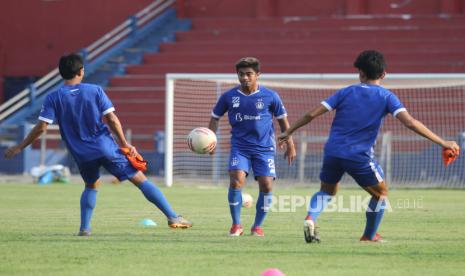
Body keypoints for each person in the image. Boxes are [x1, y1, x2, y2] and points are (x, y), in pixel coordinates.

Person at [278, 50, 460, 243]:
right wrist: (443, 142)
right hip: (358, 156)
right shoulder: (387, 97)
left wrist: (289, 131)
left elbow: (311, 114)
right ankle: (369, 236)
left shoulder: (345, 92)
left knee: (326, 191)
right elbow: (411, 123)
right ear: (383, 75)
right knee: (381, 194)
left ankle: (310, 218)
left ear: (360, 73)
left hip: (332, 151)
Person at [4, 53, 192, 236]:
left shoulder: (53, 97)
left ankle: (84, 228)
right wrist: (125, 144)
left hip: (81, 154)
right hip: (105, 147)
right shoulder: (94, 90)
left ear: (61, 73)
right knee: (141, 180)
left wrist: (20, 147)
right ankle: (172, 217)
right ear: (81, 71)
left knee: (91, 186)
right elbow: (111, 119)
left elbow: (41, 128)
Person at [208, 57, 296, 237]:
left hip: (264, 149)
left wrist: (290, 145)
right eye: (241, 74)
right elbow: (215, 117)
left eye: (249, 74)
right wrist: (211, 139)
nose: (245, 78)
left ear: (258, 75)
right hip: (240, 147)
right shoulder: (229, 96)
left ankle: (257, 226)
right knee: (236, 180)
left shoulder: (271, 96)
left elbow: (283, 122)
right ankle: (236, 225)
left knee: (266, 186)